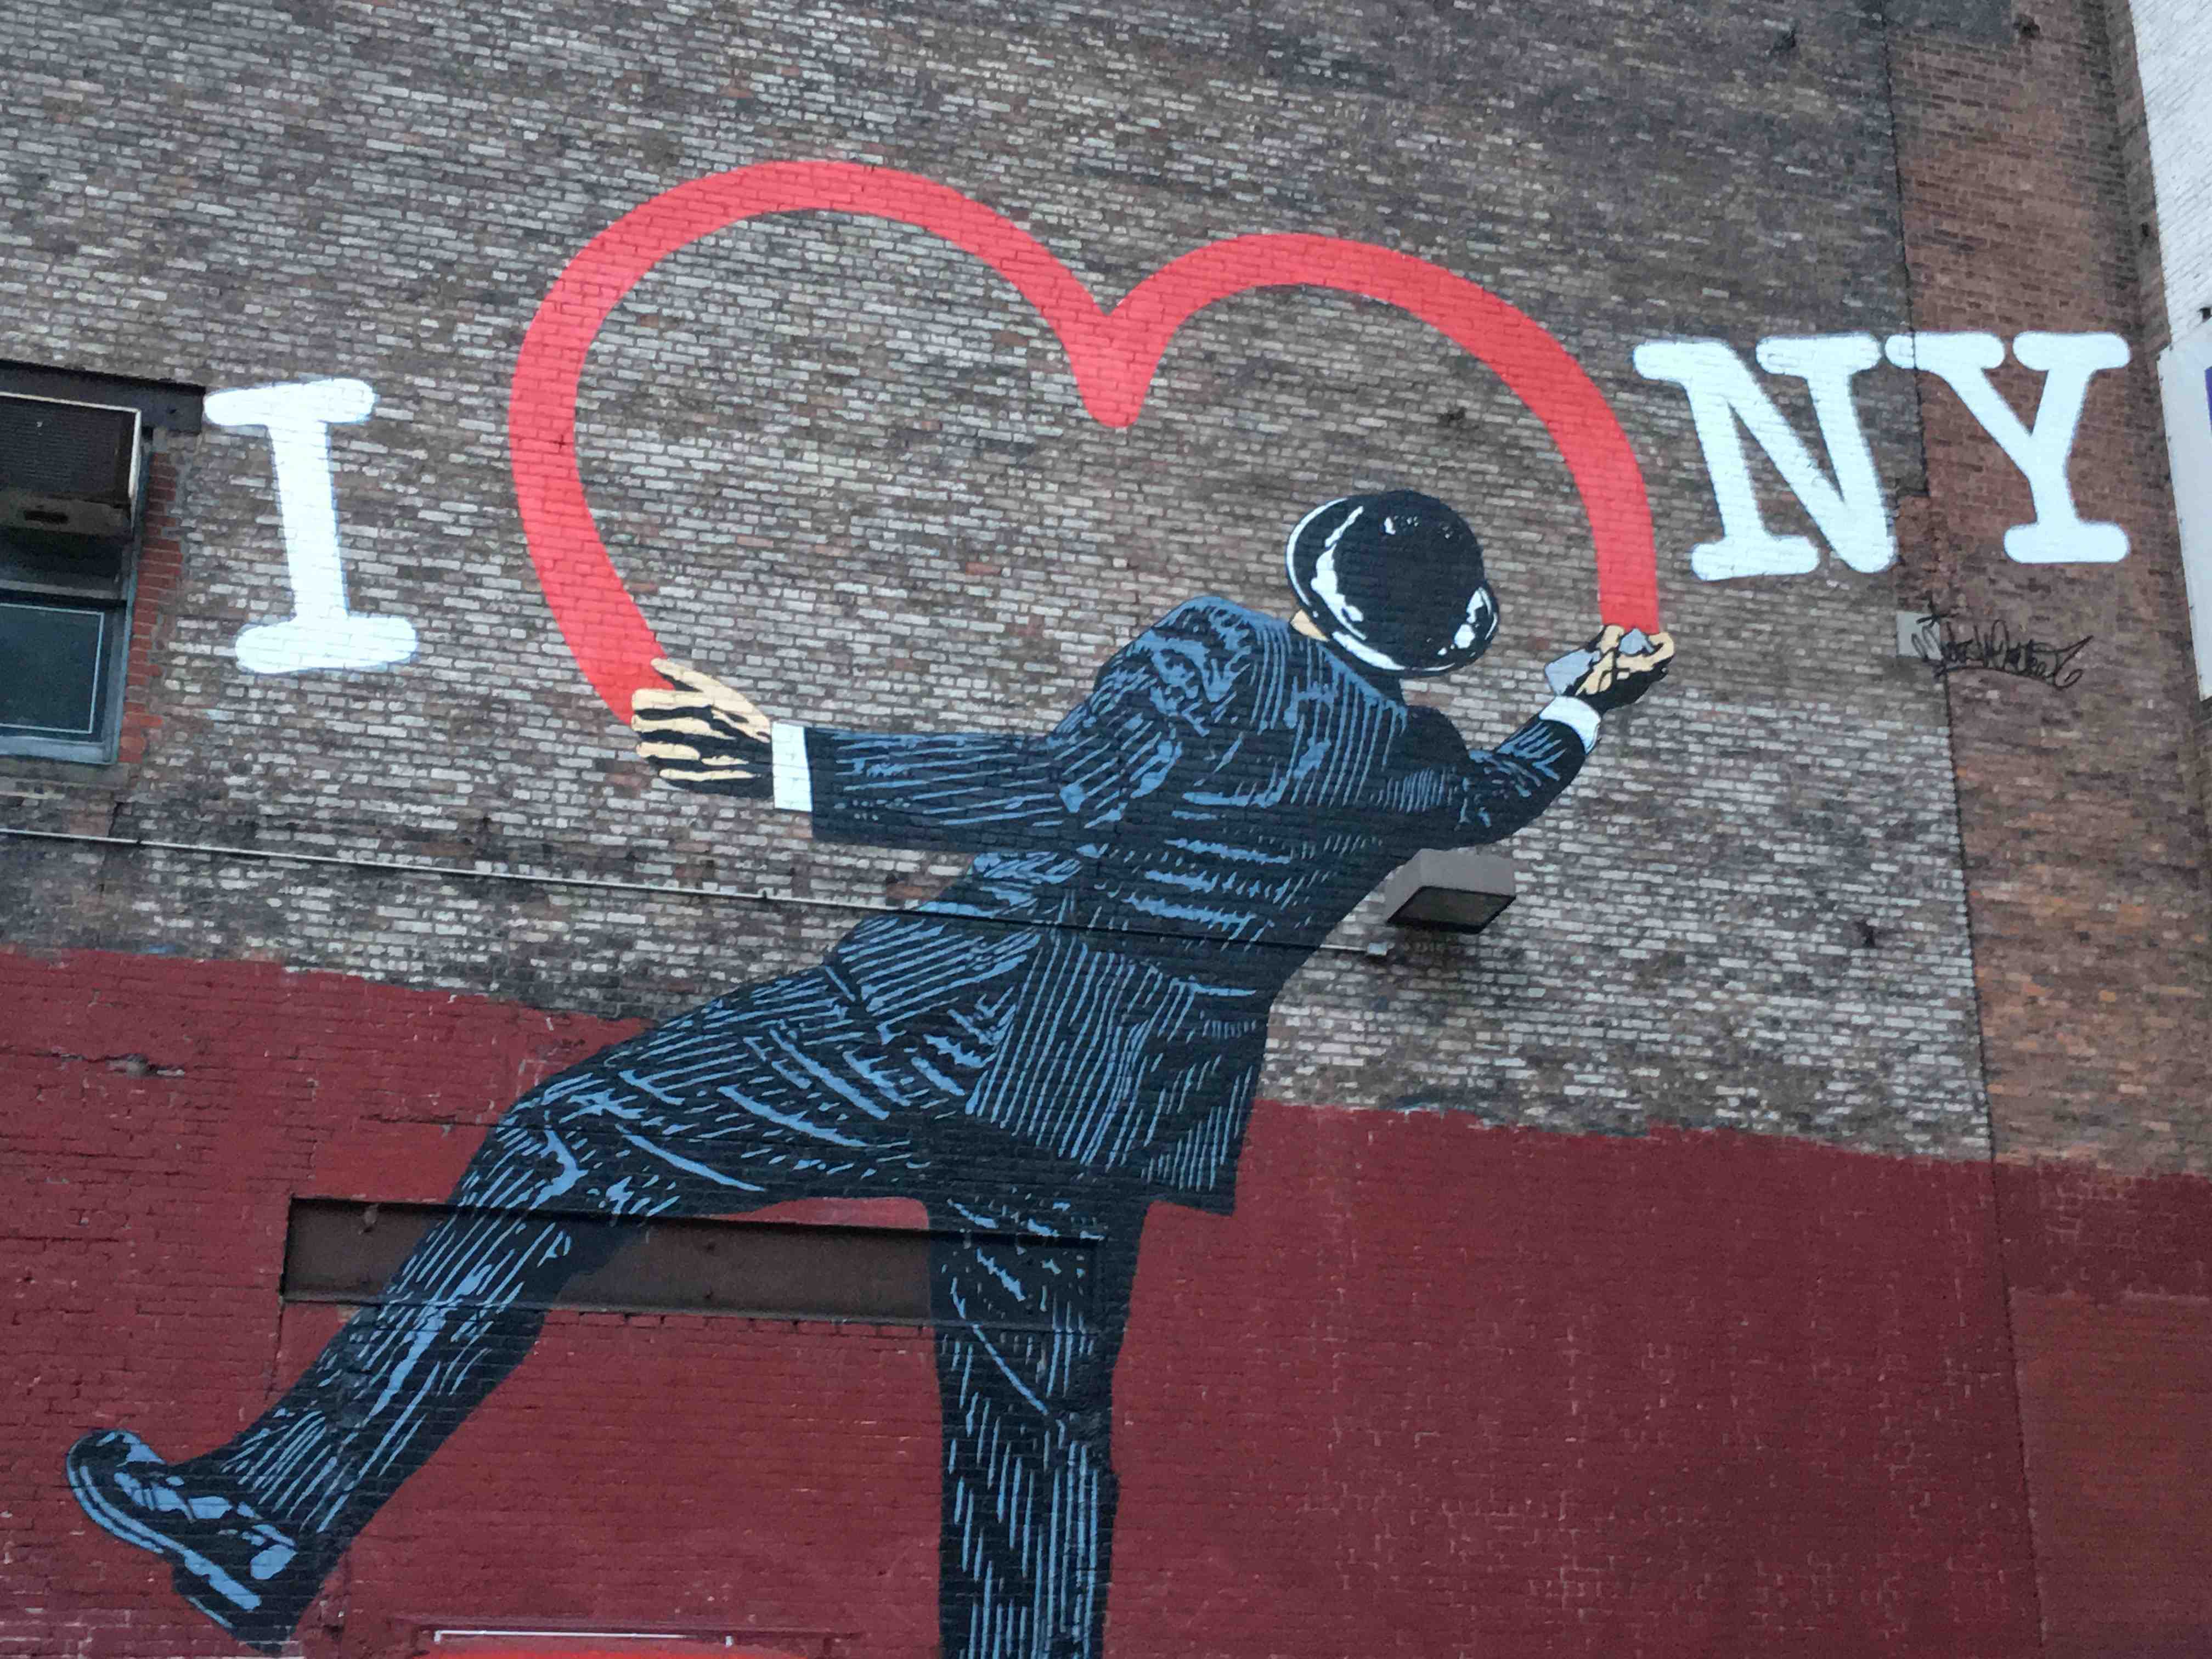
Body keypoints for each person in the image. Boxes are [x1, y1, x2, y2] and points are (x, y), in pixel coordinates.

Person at [66, 490, 1674, 1657]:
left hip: (954, 1025)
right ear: (1438, 639)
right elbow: (1504, 795)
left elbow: (1066, 790)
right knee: (1034, 1423)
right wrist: (1583, 704)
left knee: (573, 1139)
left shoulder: (1221, 652)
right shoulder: (1417, 761)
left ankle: (272, 1514)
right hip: (1113, 1110)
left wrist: (785, 762)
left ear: (1310, 578)